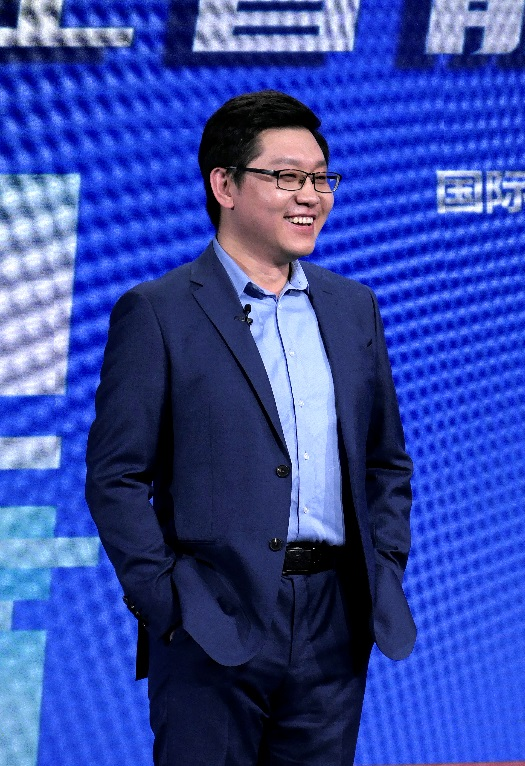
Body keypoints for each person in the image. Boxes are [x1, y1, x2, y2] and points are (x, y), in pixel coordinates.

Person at [85, 90, 416, 766]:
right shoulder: (157, 312)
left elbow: (385, 461)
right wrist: (169, 602)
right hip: (212, 620)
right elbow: (116, 477)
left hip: (335, 621)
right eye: (287, 176)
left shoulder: (352, 307)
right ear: (225, 186)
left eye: (321, 178)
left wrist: (380, 568)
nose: (311, 196)